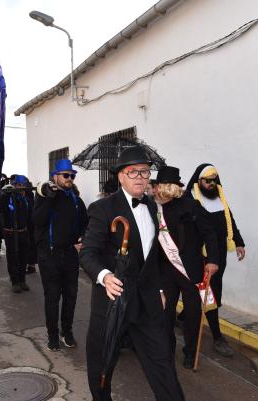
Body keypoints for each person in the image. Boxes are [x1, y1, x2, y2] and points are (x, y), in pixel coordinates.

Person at [80, 147, 185, 401]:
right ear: (121, 176)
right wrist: (104, 275)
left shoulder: (152, 206)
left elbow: (156, 256)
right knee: (103, 363)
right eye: (133, 171)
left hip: (147, 300)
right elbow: (87, 254)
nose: (140, 176)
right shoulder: (102, 208)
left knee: (162, 361)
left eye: (145, 172)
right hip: (113, 300)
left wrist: (160, 288)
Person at [151, 166, 219, 369]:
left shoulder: (191, 206)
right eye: (159, 186)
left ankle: (190, 351)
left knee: (192, 313)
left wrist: (213, 260)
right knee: (165, 312)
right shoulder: (151, 208)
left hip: (191, 270)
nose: (159, 190)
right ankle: (166, 349)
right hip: (165, 269)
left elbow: (210, 234)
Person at [184, 164, 245, 357]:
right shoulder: (190, 199)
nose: (211, 184)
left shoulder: (220, 198)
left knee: (210, 291)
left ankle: (184, 315)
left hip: (219, 254)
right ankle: (217, 337)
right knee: (210, 293)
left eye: (214, 180)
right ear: (198, 181)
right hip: (200, 255)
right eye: (207, 181)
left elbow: (230, 221)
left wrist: (238, 242)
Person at [34, 160, 88, 351]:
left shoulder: (75, 199)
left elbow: (84, 221)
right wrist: (48, 197)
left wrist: (82, 235)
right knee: (52, 297)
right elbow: (38, 221)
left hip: (70, 254)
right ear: (55, 176)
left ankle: (67, 331)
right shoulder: (44, 196)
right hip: (49, 255)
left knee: (71, 296)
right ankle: (53, 335)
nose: (69, 179)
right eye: (65, 175)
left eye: (72, 175)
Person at [0, 175, 31, 293]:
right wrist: (2, 195)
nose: (20, 187)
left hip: (24, 231)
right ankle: (15, 281)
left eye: (22, 185)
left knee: (23, 257)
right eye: (18, 185)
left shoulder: (28, 196)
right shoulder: (8, 196)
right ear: (14, 185)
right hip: (10, 232)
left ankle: (22, 280)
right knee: (12, 257)